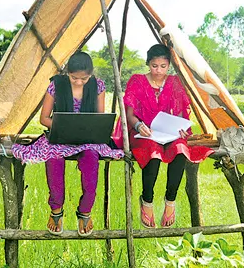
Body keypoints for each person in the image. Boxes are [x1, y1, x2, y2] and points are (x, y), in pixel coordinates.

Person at [11, 51, 123, 236]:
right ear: (67, 73)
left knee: (91, 161)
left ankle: (85, 211)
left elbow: (98, 118)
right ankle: (56, 210)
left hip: (87, 140)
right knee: (53, 159)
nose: (79, 82)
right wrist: (63, 125)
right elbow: (44, 118)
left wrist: (93, 129)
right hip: (61, 137)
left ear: (91, 75)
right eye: (74, 78)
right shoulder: (55, 85)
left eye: (84, 79)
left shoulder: (98, 86)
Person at [113, 44, 213, 228]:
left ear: (169, 65)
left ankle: (170, 201)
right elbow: (129, 113)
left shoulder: (175, 82)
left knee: (181, 149)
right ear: (148, 64)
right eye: (154, 66)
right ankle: (147, 201)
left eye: (163, 66)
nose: (158, 70)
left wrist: (181, 128)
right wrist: (138, 125)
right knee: (153, 152)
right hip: (143, 133)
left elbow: (182, 112)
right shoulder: (137, 81)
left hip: (169, 133)